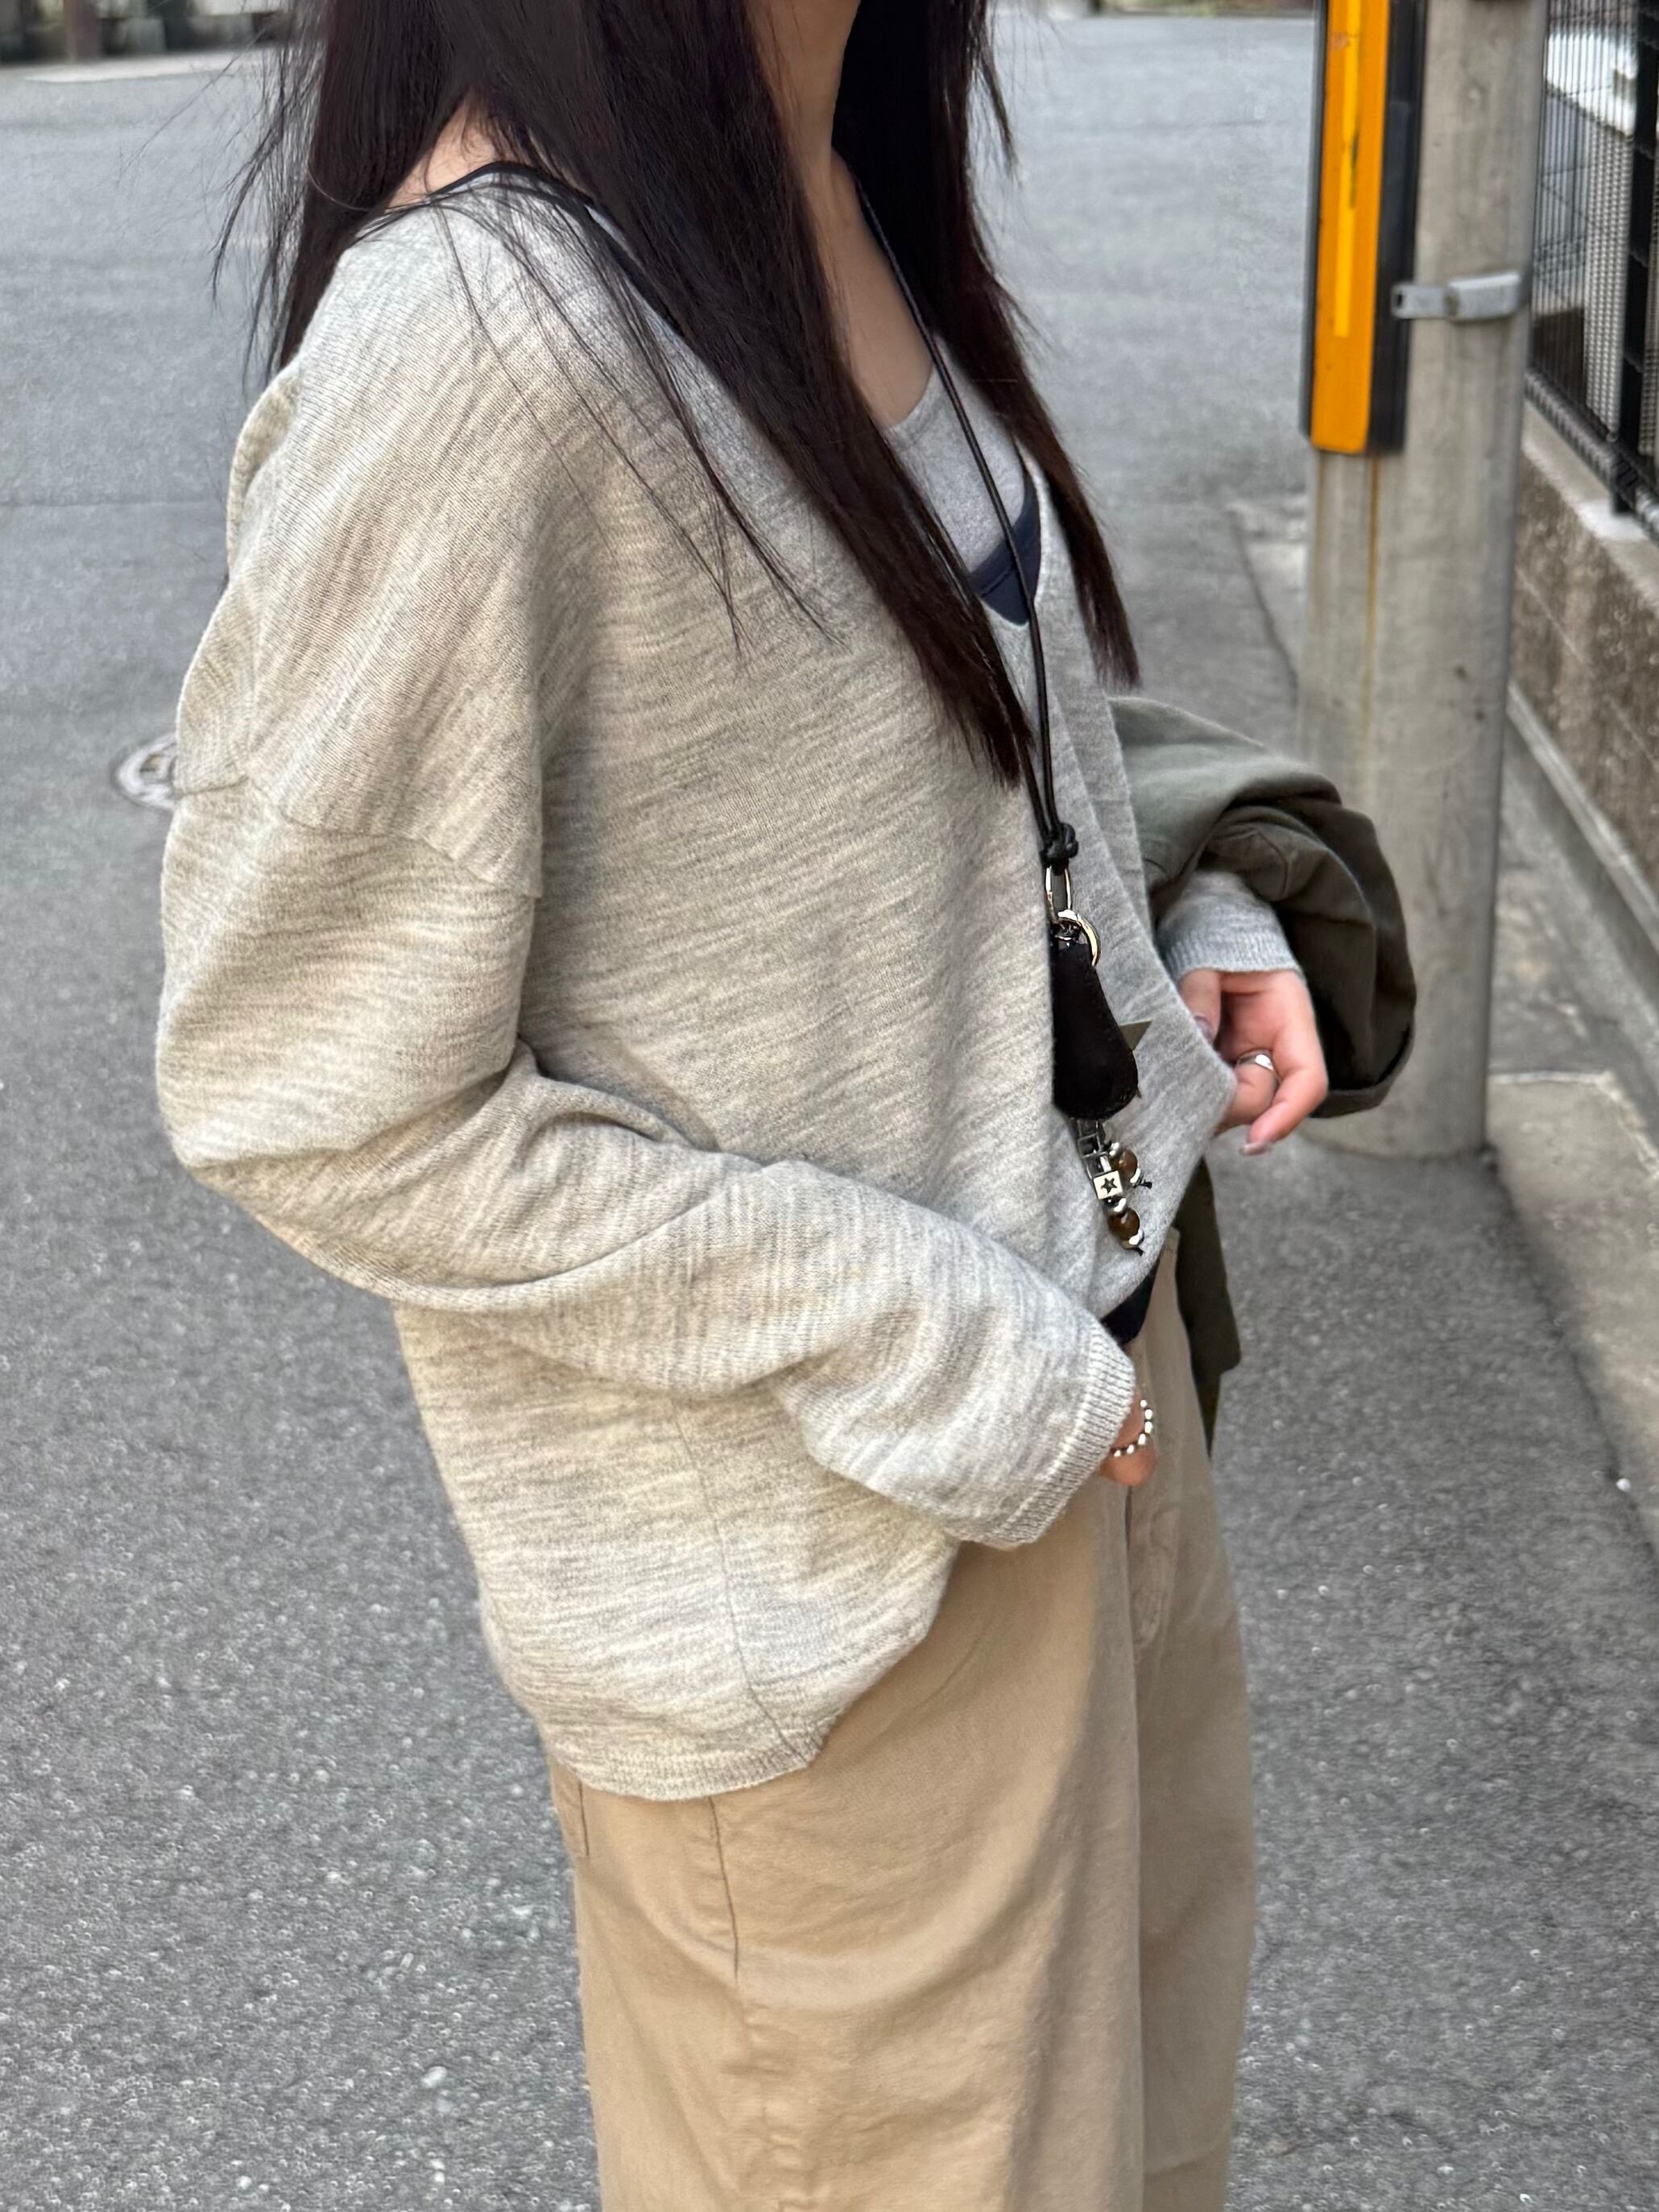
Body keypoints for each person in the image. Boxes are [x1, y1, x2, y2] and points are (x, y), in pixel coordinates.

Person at [153, 1, 1338, 2204]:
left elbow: (918, 755)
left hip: (1088, 1426)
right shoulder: (482, 348)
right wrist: (950, 1346)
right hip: (838, 1585)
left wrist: (1186, 910)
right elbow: (308, 1089)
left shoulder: (825, 156)